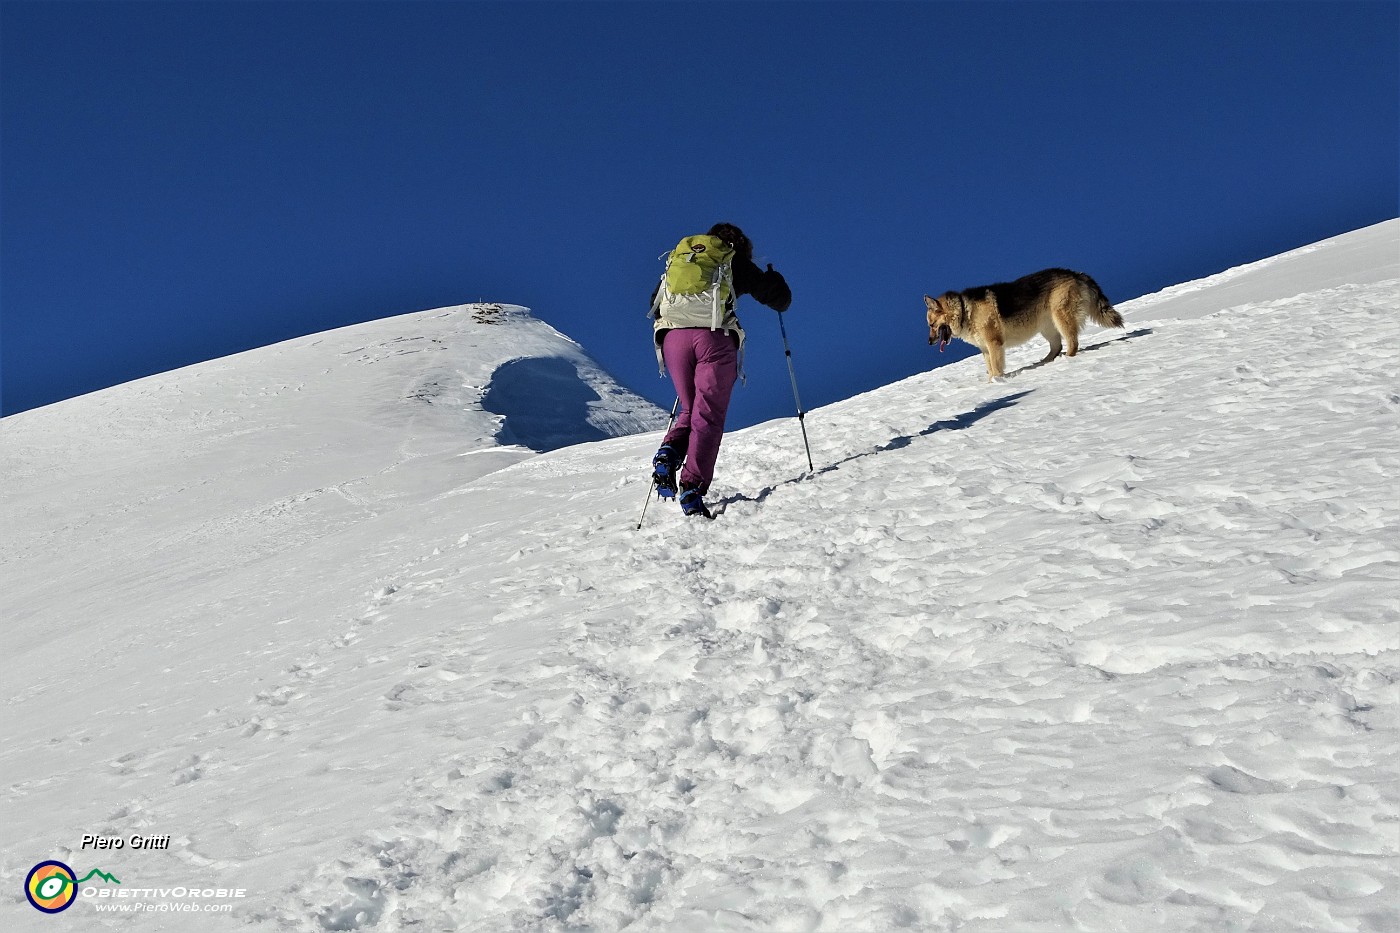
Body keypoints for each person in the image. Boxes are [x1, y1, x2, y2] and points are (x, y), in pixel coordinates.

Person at [650, 222, 791, 518]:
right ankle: (692, 486)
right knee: (708, 414)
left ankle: (670, 452)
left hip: (673, 339)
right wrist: (773, 278)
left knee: (690, 408)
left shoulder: (685, 259)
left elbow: (655, 301)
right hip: (713, 338)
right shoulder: (733, 260)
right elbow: (779, 300)